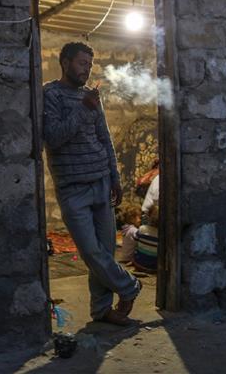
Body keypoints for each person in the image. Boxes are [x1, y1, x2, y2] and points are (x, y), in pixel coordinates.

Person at [42, 42, 141, 326]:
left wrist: (115, 178)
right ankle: (130, 286)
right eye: (82, 63)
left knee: (105, 251)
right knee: (91, 252)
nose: (87, 69)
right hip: (72, 187)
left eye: (90, 64)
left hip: (100, 181)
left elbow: (105, 140)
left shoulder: (90, 96)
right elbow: (55, 137)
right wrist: (83, 110)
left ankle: (101, 310)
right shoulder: (51, 94)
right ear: (65, 62)